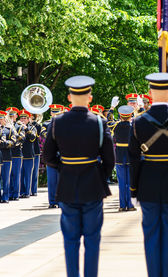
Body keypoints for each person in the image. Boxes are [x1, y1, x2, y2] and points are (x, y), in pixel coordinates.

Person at [43, 75, 114, 277]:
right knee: (92, 240)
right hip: (92, 185)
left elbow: (48, 156)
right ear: (90, 97)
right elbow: (109, 159)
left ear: (69, 97)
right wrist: (99, 175)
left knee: (70, 240)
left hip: (67, 185)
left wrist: (64, 168)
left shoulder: (57, 122)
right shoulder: (99, 123)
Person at [129, 72, 168, 277]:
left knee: (151, 236)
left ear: (149, 93)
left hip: (148, 181)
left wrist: (133, 189)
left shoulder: (138, 122)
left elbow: (134, 158)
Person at [110, 105, 135, 212]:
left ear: (120, 115)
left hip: (119, 156)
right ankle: (129, 205)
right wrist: (141, 109)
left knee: (121, 183)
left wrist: (111, 108)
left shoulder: (115, 126)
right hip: (130, 155)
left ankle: (122, 205)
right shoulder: (133, 126)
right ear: (130, 115)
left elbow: (107, 120)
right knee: (129, 183)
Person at [41, 104, 64, 208]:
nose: (55, 114)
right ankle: (52, 201)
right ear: (51, 113)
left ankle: (60, 201)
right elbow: (44, 137)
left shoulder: (64, 124)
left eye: (57, 112)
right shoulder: (46, 124)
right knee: (51, 180)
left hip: (62, 154)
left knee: (60, 180)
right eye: (53, 112)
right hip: (52, 154)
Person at [0, 110, 16, 203]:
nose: (0, 120)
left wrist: (5, 144)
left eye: (1, 118)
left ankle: (5, 197)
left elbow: (14, 142)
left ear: (5, 119)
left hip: (6, 156)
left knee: (6, 178)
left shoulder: (9, 129)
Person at [7, 107, 26, 201]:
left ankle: (16, 194)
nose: (11, 117)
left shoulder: (19, 126)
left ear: (16, 116)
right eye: (10, 115)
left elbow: (23, 138)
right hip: (8, 153)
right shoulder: (6, 126)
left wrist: (14, 134)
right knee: (8, 175)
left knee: (16, 174)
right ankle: (9, 193)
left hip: (17, 153)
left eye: (13, 115)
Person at [19, 110, 37, 198]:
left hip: (28, 154)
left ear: (28, 119)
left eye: (24, 118)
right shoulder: (17, 127)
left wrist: (26, 128)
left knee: (28, 174)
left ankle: (27, 192)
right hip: (19, 154)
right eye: (21, 118)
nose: (22, 120)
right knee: (20, 175)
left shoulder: (32, 128)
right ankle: (21, 191)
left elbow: (32, 138)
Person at [30, 114, 42, 196]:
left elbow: (37, 133)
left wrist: (33, 123)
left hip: (36, 150)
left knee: (34, 172)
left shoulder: (37, 126)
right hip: (27, 151)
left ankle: (34, 190)